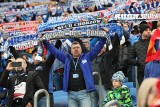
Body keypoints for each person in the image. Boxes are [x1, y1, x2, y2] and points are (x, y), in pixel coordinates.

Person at [43, 38, 106, 107]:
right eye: (74, 48)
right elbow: (55, 51)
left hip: (84, 93)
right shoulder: (67, 59)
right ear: (71, 50)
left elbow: (97, 49)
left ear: (81, 49)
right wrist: (45, 41)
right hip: (71, 94)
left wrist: (103, 38)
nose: (76, 49)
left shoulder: (87, 57)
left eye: (78, 47)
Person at [8, 40, 61, 107]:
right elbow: (19, 59)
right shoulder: (29, 66)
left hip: (43, 95)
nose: (36, 56)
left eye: (38, 54)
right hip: (31, 97)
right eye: (35, 55)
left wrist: (57, 42)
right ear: (32, 56)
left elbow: (53, 54)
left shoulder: (46, 65)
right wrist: (11, 48)